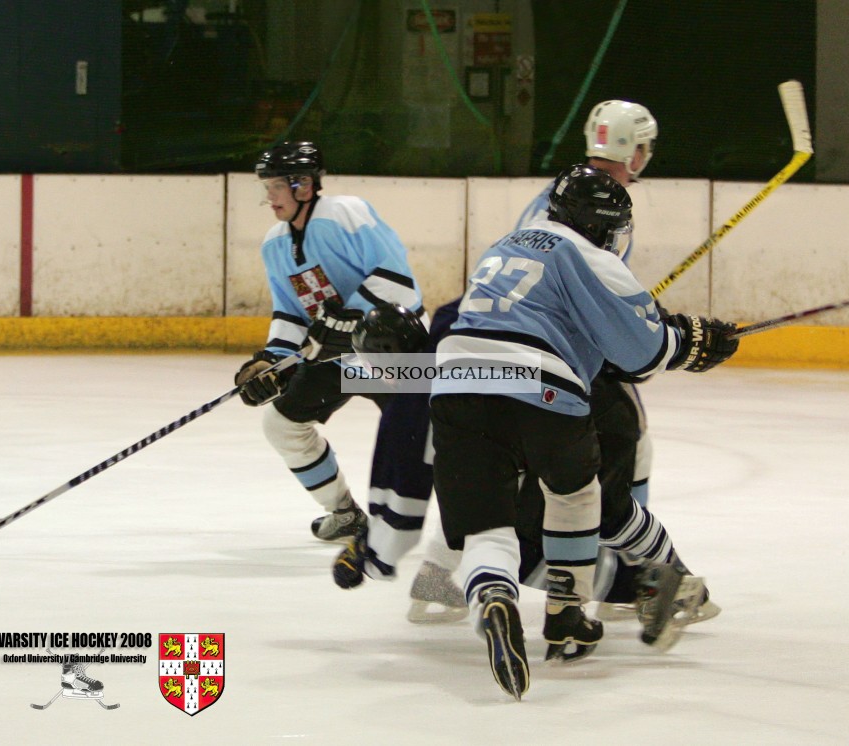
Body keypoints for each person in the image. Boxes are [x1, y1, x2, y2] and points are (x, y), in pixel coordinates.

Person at [347, 164, 740, 699]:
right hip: (542, 387)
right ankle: (566, 617)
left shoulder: (506, 245)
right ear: (602, 222)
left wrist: (677, 337)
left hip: (455, 387)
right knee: (578, 496)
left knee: (488, 530)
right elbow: (639, 352)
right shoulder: (594, 256)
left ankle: (491, 600)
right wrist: (693, 344)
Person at [409, 99, 721, 625]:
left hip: (480, 355)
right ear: (630, 149)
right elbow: (608, 318)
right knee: (616, 451)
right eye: (642, 147)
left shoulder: (561, 192)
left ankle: (440, 576)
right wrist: (666, 335)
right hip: (543, 358)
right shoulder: (596, 207)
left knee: (489, 464)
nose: (645, 156)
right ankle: (627, 585)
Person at [234, 141, 426, 542]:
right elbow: (290, 311)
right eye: (265, 188)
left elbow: (397, 280)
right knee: (282, 424)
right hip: (344, 363)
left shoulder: (344, 213)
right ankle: (345, 513)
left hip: (395, 353)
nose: (268, 198)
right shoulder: (274, 243)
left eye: (275, 187)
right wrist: (273, 360)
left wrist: (348, 319)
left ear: (303, 185)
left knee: (433, 434)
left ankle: (494, 519)